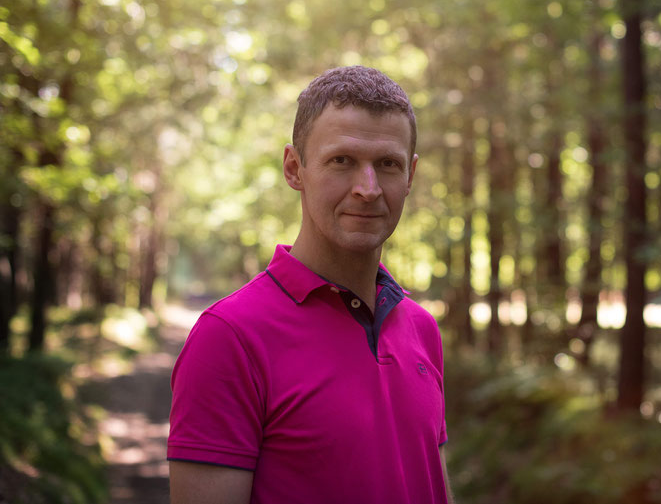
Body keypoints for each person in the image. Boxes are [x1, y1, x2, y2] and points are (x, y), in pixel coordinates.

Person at [167, 66, 452, 504]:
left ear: (410, 175)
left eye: (388, 164)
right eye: (342, 161)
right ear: (294, 168)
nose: (368, 188)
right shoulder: (229, 337)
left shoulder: (421, 328)